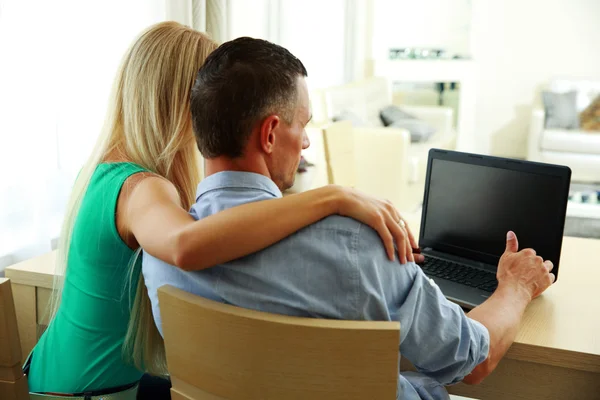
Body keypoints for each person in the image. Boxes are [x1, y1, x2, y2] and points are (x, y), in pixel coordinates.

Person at [143, 37, 555, 400]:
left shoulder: (160, 252)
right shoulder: (361, 244)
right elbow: (471, 360)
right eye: (302, 124)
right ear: (269, 135)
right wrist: (516, 287)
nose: (305, 141)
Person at [26, 22, 417, 398]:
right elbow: (185, 245)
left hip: (58, 373)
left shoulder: (102, 170)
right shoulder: (142, 189)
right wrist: (332, 198)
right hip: (94, 393)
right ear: (185, 101)